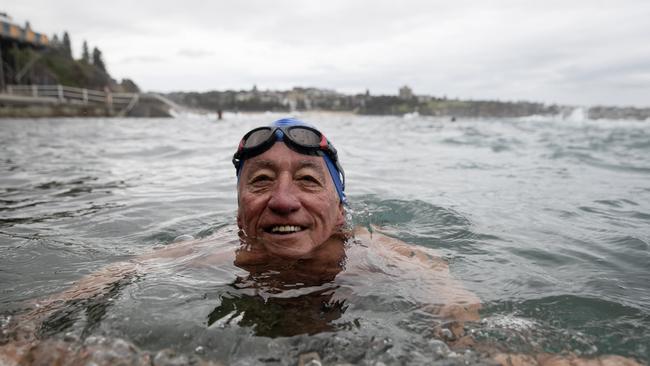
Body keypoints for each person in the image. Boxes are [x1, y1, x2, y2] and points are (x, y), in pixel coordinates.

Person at [0, 118, 641, 366]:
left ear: (339, 206)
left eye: (307, 180)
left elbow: (451, 310)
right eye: (260, 182)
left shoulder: (383, 255)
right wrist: (27, 331)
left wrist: (477, 345)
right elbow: (115, 274)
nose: (283, 199)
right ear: (240, 203)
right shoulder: (210, 252)